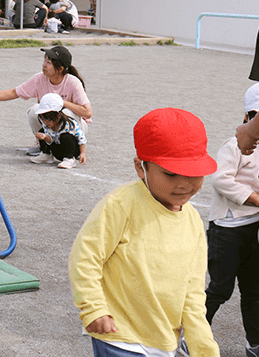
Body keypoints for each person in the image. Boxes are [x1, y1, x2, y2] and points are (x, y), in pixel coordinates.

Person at [69, 108, 219, 357]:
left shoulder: (191, 219)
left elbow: (193, 289)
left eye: (194, 173)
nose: (184, 183)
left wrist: (202, 345)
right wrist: (93, 308)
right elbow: (85, 257)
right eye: (170, 173)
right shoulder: (120, 205)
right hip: (120, 335)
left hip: (164, 340)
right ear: (141, 168)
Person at [205, 83, 259, 357]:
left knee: (253, 290)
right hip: (227, 229)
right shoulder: (235, 145)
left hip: (254, 231)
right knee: (220, 289)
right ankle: (191, 335)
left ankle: (254, 343)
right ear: (251, 115)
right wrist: (255, 198)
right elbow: (220, 179)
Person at [0, 45, 92, 167]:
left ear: (60, 69)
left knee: (64, 113)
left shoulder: (72, 82)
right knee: (35, 111)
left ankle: (70, 154)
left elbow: (87, 112)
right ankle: (44, 148)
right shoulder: (40, 78)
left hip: (74, 128)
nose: (44, 64)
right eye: (45, 60)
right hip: (52, 130)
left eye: (49, 62)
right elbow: (14, 92)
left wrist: (62, 102)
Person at [33, 93, 87, 169]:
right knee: (42, 131)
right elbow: (51, 140)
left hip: (72, 150)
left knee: (65, 136)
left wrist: (82, 153)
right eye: (43, 119)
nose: (45, 122)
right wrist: (44, 137)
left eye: (48, 120)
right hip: (58, 150)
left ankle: (69, 159)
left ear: (58, 116)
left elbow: (81, 138)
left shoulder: (69, 124)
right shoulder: (47, 125)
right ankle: (46, 155)